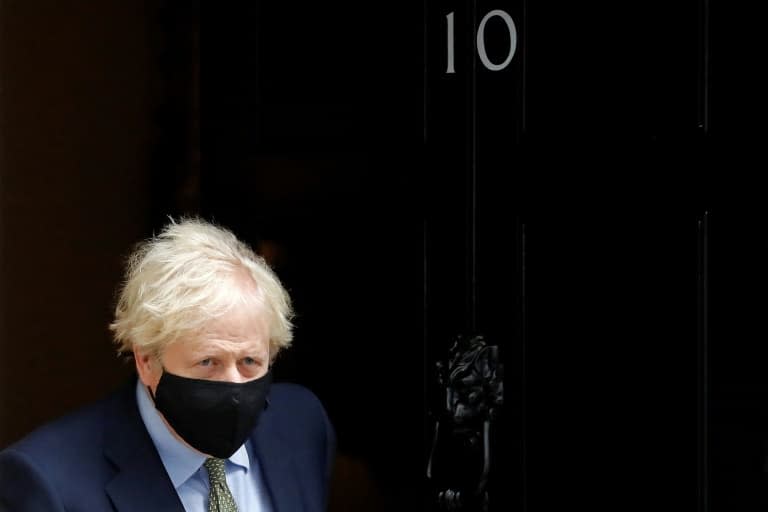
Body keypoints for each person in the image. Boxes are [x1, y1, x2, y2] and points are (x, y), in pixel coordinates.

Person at [0, 218, 336, 511]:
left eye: (250, 361)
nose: (234, 384)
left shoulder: (302, 426)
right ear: (146, 360)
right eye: (208, 362)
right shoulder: (47, 482)